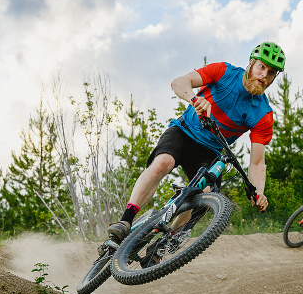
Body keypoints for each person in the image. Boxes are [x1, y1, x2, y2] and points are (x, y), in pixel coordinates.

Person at [107, 41, 286, 242]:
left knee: (205, 193)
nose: (264, 75)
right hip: (184, 131)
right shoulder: (224, 72)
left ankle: (168, 241)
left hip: (210, 151)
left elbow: (257, 162)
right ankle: (125, 221)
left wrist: (258, 192)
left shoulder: (263, 113)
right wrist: (194, 99)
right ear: (251, 64)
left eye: (271, 73)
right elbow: (179, 81)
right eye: (262, 67)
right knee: (162, 163)